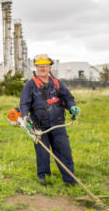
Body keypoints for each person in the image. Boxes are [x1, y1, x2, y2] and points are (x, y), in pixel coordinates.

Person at [20, 54, 80, 186]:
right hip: (39, 125)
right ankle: (44, 178)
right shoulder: (30, 85)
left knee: (64, 151)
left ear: (50, 67)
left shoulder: (58, 84)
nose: (42, 68)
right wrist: (25, 117)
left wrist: (72, 107)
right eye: (40, 66)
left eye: (45, 66)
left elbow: (68, 98)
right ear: (36, 68)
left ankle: (70, 180)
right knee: (42, 152)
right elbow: (24, 104)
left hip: (58, 124)